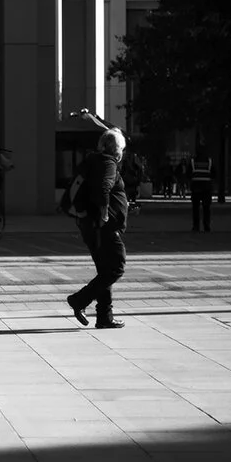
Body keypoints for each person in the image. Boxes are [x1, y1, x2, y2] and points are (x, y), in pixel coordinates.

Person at [65, 127, 128, 330]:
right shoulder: (108, 164)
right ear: (116, 149)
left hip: (89, 225)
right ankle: (79, 299)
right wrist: (105, 213)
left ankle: (104, 317)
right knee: (116, 266)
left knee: (104, 270)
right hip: (102, 227)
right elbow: (103, 188)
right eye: (122, 149)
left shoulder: (93, 161)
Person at [190, 144, 213, 233]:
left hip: (196, 188)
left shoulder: (193, 162)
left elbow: (189, 173)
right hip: (206, 188)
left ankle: (196, 226)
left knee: (196, 208)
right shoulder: (209, 162)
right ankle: (206, 226)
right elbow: (213, 173)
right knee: (206, 208)